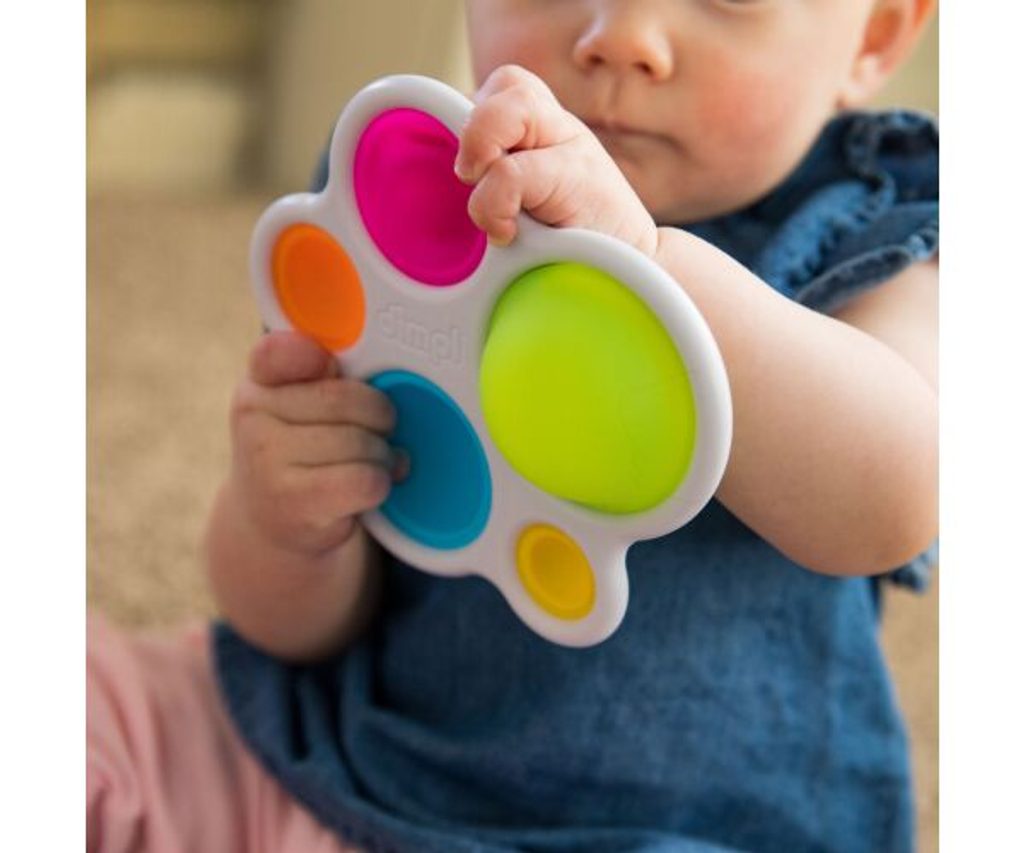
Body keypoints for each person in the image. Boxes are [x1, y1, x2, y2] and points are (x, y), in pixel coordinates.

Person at [88, 1, 939, 850]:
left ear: (872, 37)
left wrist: (645, 265)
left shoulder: (881, 229)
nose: (620, 38)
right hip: (344, 770)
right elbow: (288, 628)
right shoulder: (408, 181)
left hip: (677, 831)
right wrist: (282, 514)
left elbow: (895, 499)